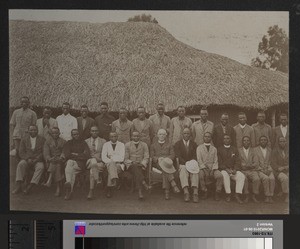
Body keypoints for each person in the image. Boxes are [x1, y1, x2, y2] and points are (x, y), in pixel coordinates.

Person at [12, 125, 45, 195]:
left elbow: (44, 152)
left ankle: (30, 186)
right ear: (28, 131)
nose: (33, 131)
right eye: (31, 130)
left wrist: (36, 159)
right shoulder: (24, 139)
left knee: (41, 167)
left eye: (35, 130)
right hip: (27, 159)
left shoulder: (42, 139)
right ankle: (19, 185)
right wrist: (27, 159)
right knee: (21, 164)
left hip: (38, 160)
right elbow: (21, 152)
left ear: (37, 130)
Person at [150, 129, 180, 200]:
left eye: (163, 134)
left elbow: (172, 155)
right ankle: (171, 187)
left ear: (166, 135)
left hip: (167, 164)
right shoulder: (153, 145)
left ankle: (167, 190)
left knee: (165, 169)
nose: (161, 136)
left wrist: (165, 159)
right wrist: (157, 159)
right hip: (157, 164)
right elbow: (152, 156)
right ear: (157, 135)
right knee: (165, 168)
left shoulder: (170, 145)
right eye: (160, 134)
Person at [63, 129, 90, 200]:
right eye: (74, 134)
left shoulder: (83, 143)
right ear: (71, 135)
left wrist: (75, 154)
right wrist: (80, 155)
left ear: (79, 134)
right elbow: (67, 154)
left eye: (77, 134)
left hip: (80, 164)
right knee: (70, 166)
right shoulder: (68, 143)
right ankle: (69, 190)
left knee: (69, 164)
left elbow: (87, 155)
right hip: (72, 164)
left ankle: (68, 185)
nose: (76, 135)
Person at [217, 134, 245, 203]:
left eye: (228, 138)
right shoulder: (219, 149)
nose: (226, 140)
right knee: (224, 175)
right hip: (224, 170)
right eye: (225, 138)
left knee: (241, 176)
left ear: (231, 140)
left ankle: (237, 194)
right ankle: (228, 194)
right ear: (223, 140)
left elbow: (237, 161)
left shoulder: (234, 149)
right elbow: (219, 162)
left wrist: (235, 169)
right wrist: (226, 169)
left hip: (233, 170)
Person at [174, 128, 199, 203]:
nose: (186, 135)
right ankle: (186, 192)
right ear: (182, 135)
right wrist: (186, 163)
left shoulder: (194, 144)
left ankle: (195, 192)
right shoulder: (177, 144)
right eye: (185, 133)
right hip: (183, 164)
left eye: (188, 133)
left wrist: (191, 163)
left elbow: (195, 155)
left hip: (192, 163)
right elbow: (178, 156)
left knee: (195, 171)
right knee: (183, 170)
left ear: (190, 135)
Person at [197, 132, 223, 201]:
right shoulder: (199, 148)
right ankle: (204, 190)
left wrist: (213, 170)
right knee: (200, 175)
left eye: (208, 137)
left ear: (211, 138)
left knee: (219, 176)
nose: (207, 138)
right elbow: (199, 160)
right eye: (205, 136)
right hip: (203, 168)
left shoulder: (214, 149)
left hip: (212, 168)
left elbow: (216, 160)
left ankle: (217, 192)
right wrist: (204, 169)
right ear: (203, 138)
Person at [125, 131, 150, 200]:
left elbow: (146, 156)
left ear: (140, 137)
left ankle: (141, 190)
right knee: (135, 167)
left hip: (141, 164)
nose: (136, 137)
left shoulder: (144, 145)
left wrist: (142, 163)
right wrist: (132, 162)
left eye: (137, 136)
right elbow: (125, 158)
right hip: (131, 165)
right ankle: (142, 187)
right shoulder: (127, 145)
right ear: (131, 136)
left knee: (137, 169)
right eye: (134, 136)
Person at [43, 127, 66, 196]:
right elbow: (46, 152)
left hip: (60, 160)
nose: (55, 134)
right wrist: (50, 158)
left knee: (57, 164)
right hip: (51, 160)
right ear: (51, 134)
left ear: (59, 133)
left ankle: (49, 180)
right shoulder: (47, 141)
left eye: (56, 133)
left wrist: (61, 157)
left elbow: (64, 151)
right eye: (53, 133)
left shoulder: (63, 141)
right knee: (56, 165)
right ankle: (58, 188)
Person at [85, 126, 106, 200]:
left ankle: (91, 191)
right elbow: (85, 155)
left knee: (92, 169)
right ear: (90, 132)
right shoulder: (86, 141)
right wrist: (93, 158)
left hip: (99, 162)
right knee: (93, 162)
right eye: (92, 131)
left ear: (98, 132)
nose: (94, 132)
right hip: (88, 161)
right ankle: (97, 180)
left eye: (96, 131)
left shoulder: (103, 141)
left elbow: (105, 154)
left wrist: (97, 158)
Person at [101, 132, 125, 198]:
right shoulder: (106, 144)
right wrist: (112, 161)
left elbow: (121, 158)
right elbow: (103, 157)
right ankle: (113, 183)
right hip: (108, 164)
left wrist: (111, 158)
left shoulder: (121, 145)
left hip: (118, 165)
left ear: (117, 137)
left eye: (115, 136)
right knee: (111, 166)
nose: (113, 138)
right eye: (111, 136)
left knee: (111, 169)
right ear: (109, 137)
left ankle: (109, 187)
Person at [238, 136, 260, 203]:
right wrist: (243, 166)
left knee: (257, 179)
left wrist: (248, 166)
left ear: (250, 142)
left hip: (252, 170)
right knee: (244, 179)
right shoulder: (239, 150)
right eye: (244, 140)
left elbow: (256, 162)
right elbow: (239, 162)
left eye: (248, 140)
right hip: (243, 170)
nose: (246, 142)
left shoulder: (253, 151)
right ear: (242, 142)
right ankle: (246, 195)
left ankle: (254, 195)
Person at [254, 135, 275, 203]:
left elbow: (270, 161)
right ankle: (267, 196)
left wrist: (269, 169)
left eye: (265, 140)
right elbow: (256, 162)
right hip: (259, 170)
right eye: (261, 140)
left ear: (267, 141)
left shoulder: (269, 149)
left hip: (268, 169)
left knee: (272, 178)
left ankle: (271, 196)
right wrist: (262, 170)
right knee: (265, 178)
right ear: (259, 141)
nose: (263, 141)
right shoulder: (255, 150)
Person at [271, 136, 289, 203]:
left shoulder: (288, 150)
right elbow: (273, 163)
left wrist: (286, 167)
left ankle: (284, 191)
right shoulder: (275, 151)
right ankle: (287, 195)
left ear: (286, 142)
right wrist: (278, 168)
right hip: (278, 171)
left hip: (287, 169)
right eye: (280, 141)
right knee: (284, 178)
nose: (282, 143)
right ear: (278, 142)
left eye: (283, 141)